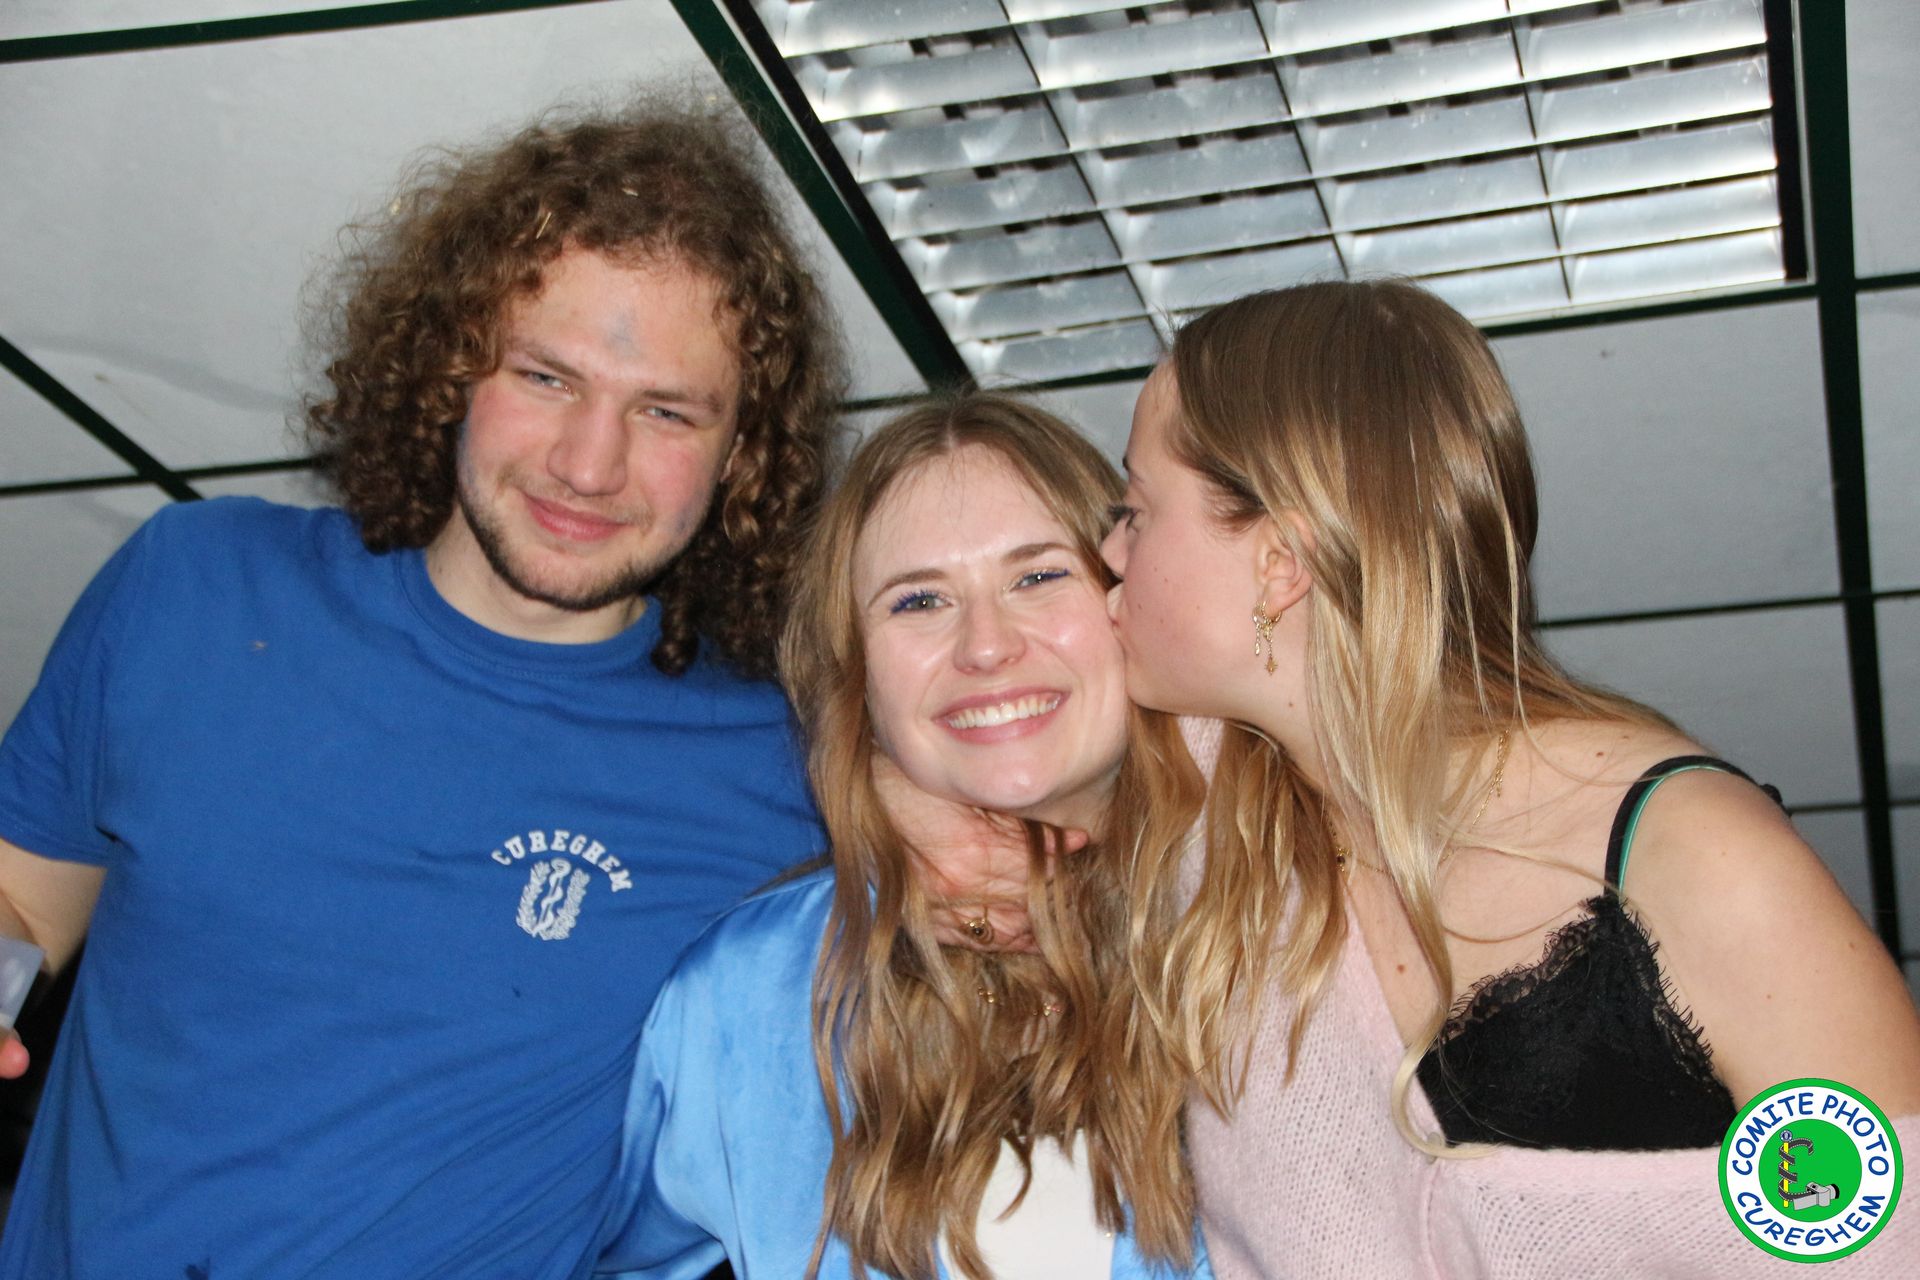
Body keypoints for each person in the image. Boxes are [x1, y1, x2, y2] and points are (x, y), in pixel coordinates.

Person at [0, 100, 846, 1276]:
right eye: (545, 375)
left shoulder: (789, 771)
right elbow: (23, 899)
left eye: (664, 411)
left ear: (741, 452)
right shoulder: (195, 589)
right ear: (452, 364)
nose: (589, 463)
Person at [1097, 280, 1920, 1275]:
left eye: (1137, 511)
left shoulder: (1693, 856)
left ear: (1279, 563)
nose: (1110, 549)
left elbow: (1886, 1236)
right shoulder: (1232, 831)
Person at [594, 394, 1206, 1280]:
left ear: (1132, 601)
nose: (986, 646)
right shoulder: (753, 992)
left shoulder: (1277, 924)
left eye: (1038, 578)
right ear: (858, 677)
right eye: (919, 600)